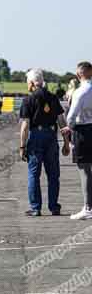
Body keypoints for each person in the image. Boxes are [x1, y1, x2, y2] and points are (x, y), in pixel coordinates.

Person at [19, 69, 70, 217]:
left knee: (34, 174)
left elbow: (25, 126)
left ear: (32, 83)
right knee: (53, 174)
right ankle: (54, 207)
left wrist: (22, 146)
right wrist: (66, 143)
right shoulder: (53, 98)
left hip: (35, 137)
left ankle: (36, 208)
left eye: (28, 83)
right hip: (51, 137)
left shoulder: (28, 100)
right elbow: (62, 122)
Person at [61, 62, 92, 220]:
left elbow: (71, 115)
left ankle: (88, 207)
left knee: (84, 170)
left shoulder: (80, 91)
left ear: (79, 74)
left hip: (83, 131)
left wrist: (68, 127)